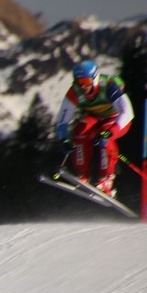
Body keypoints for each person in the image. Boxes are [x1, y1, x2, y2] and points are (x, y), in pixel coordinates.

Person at [54, 59, 134, 197]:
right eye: (79, 82)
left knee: (104, 138)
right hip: (96, 118)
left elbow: (127, 112)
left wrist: (110, 132)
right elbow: (63, 120)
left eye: (86, 82)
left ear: (95, 78)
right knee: (81, 130)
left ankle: (107, 178)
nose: (83, 87)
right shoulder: (75, 91)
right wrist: (64, 140)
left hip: (118, 119)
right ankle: (82, 173)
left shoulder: (108, 86)